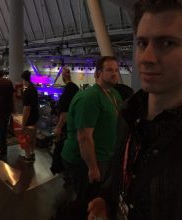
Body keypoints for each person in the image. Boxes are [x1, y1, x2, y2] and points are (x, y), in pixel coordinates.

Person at [88, 1, 182, 219]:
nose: (147, 58)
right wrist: (108, 200)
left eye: (166, 43)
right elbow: (120, 169)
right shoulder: (129, 112)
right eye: (142, 43)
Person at [60, 56, 122, 219]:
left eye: (116, 70)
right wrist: (92, 167)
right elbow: (84, 137)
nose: (115, 74)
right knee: (85, 202)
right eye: (109, 70)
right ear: (98, 73)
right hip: (86, 160)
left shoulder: (114, 94)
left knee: (96, 199)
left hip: (104, 156)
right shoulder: (90, 98)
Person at [51, 68, 79, 175]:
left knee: (61, 150)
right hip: (73, 125)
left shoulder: (68, 89)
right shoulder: (75, 88)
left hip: (66, 127)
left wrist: (58, 127)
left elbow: (65, 112)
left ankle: (66, 174)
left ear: (63, 76)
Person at [20, 70, 39, 163]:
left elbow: (26, 109)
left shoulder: (27, 91)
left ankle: (27, 157)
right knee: (33, 136)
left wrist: (23, 124)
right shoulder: (33, 88)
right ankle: (32, 153)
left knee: (27, 138)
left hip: (30, 118)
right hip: (35, 116)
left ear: (24, 79)